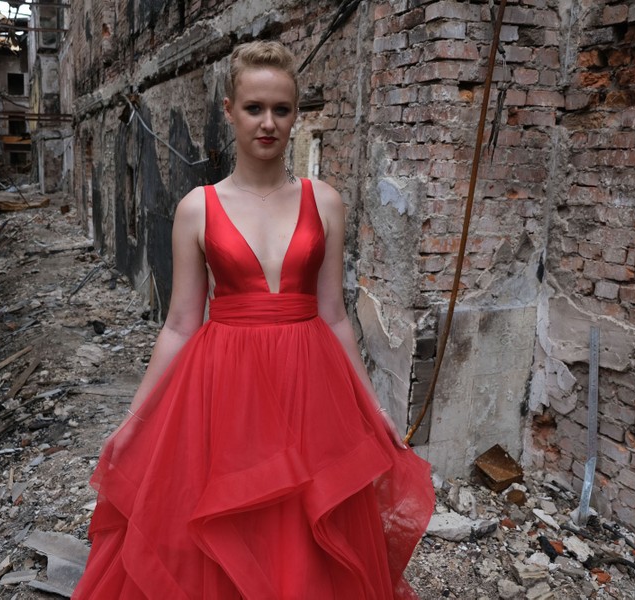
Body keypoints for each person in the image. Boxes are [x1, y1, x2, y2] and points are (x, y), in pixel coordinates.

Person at [72, 40, 435, 600]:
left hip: (309, 385)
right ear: (228, 111)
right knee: (230, 520)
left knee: (308, 525)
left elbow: (335, 315)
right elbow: (178, 324)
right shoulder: (198, 206)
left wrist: (373, 406)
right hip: (227, 389)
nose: (268, 123)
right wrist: (134, 419)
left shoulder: (326, 201)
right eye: (254, 108)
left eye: (282, 110)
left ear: (296, 114)